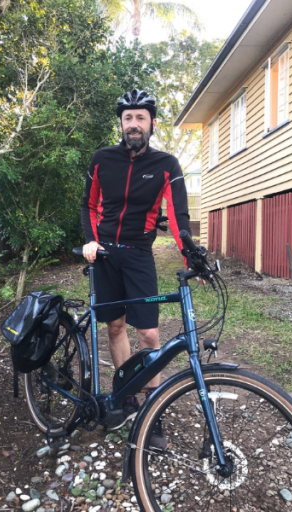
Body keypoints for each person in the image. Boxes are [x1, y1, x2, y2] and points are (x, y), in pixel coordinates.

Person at [79, 89, 190, 447]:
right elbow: (90, 205)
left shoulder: (166, 165)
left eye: (141, 117)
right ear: (122, 124)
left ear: (152, 123)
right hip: (105, 255)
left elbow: (177, 215)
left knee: (150, 336)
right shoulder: (102, 159)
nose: (134, 124)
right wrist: (91, 240)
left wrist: (191, 255)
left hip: (140, 255)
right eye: (128, 118)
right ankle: (126, 397)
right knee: (114, 327)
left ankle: (153, 409)